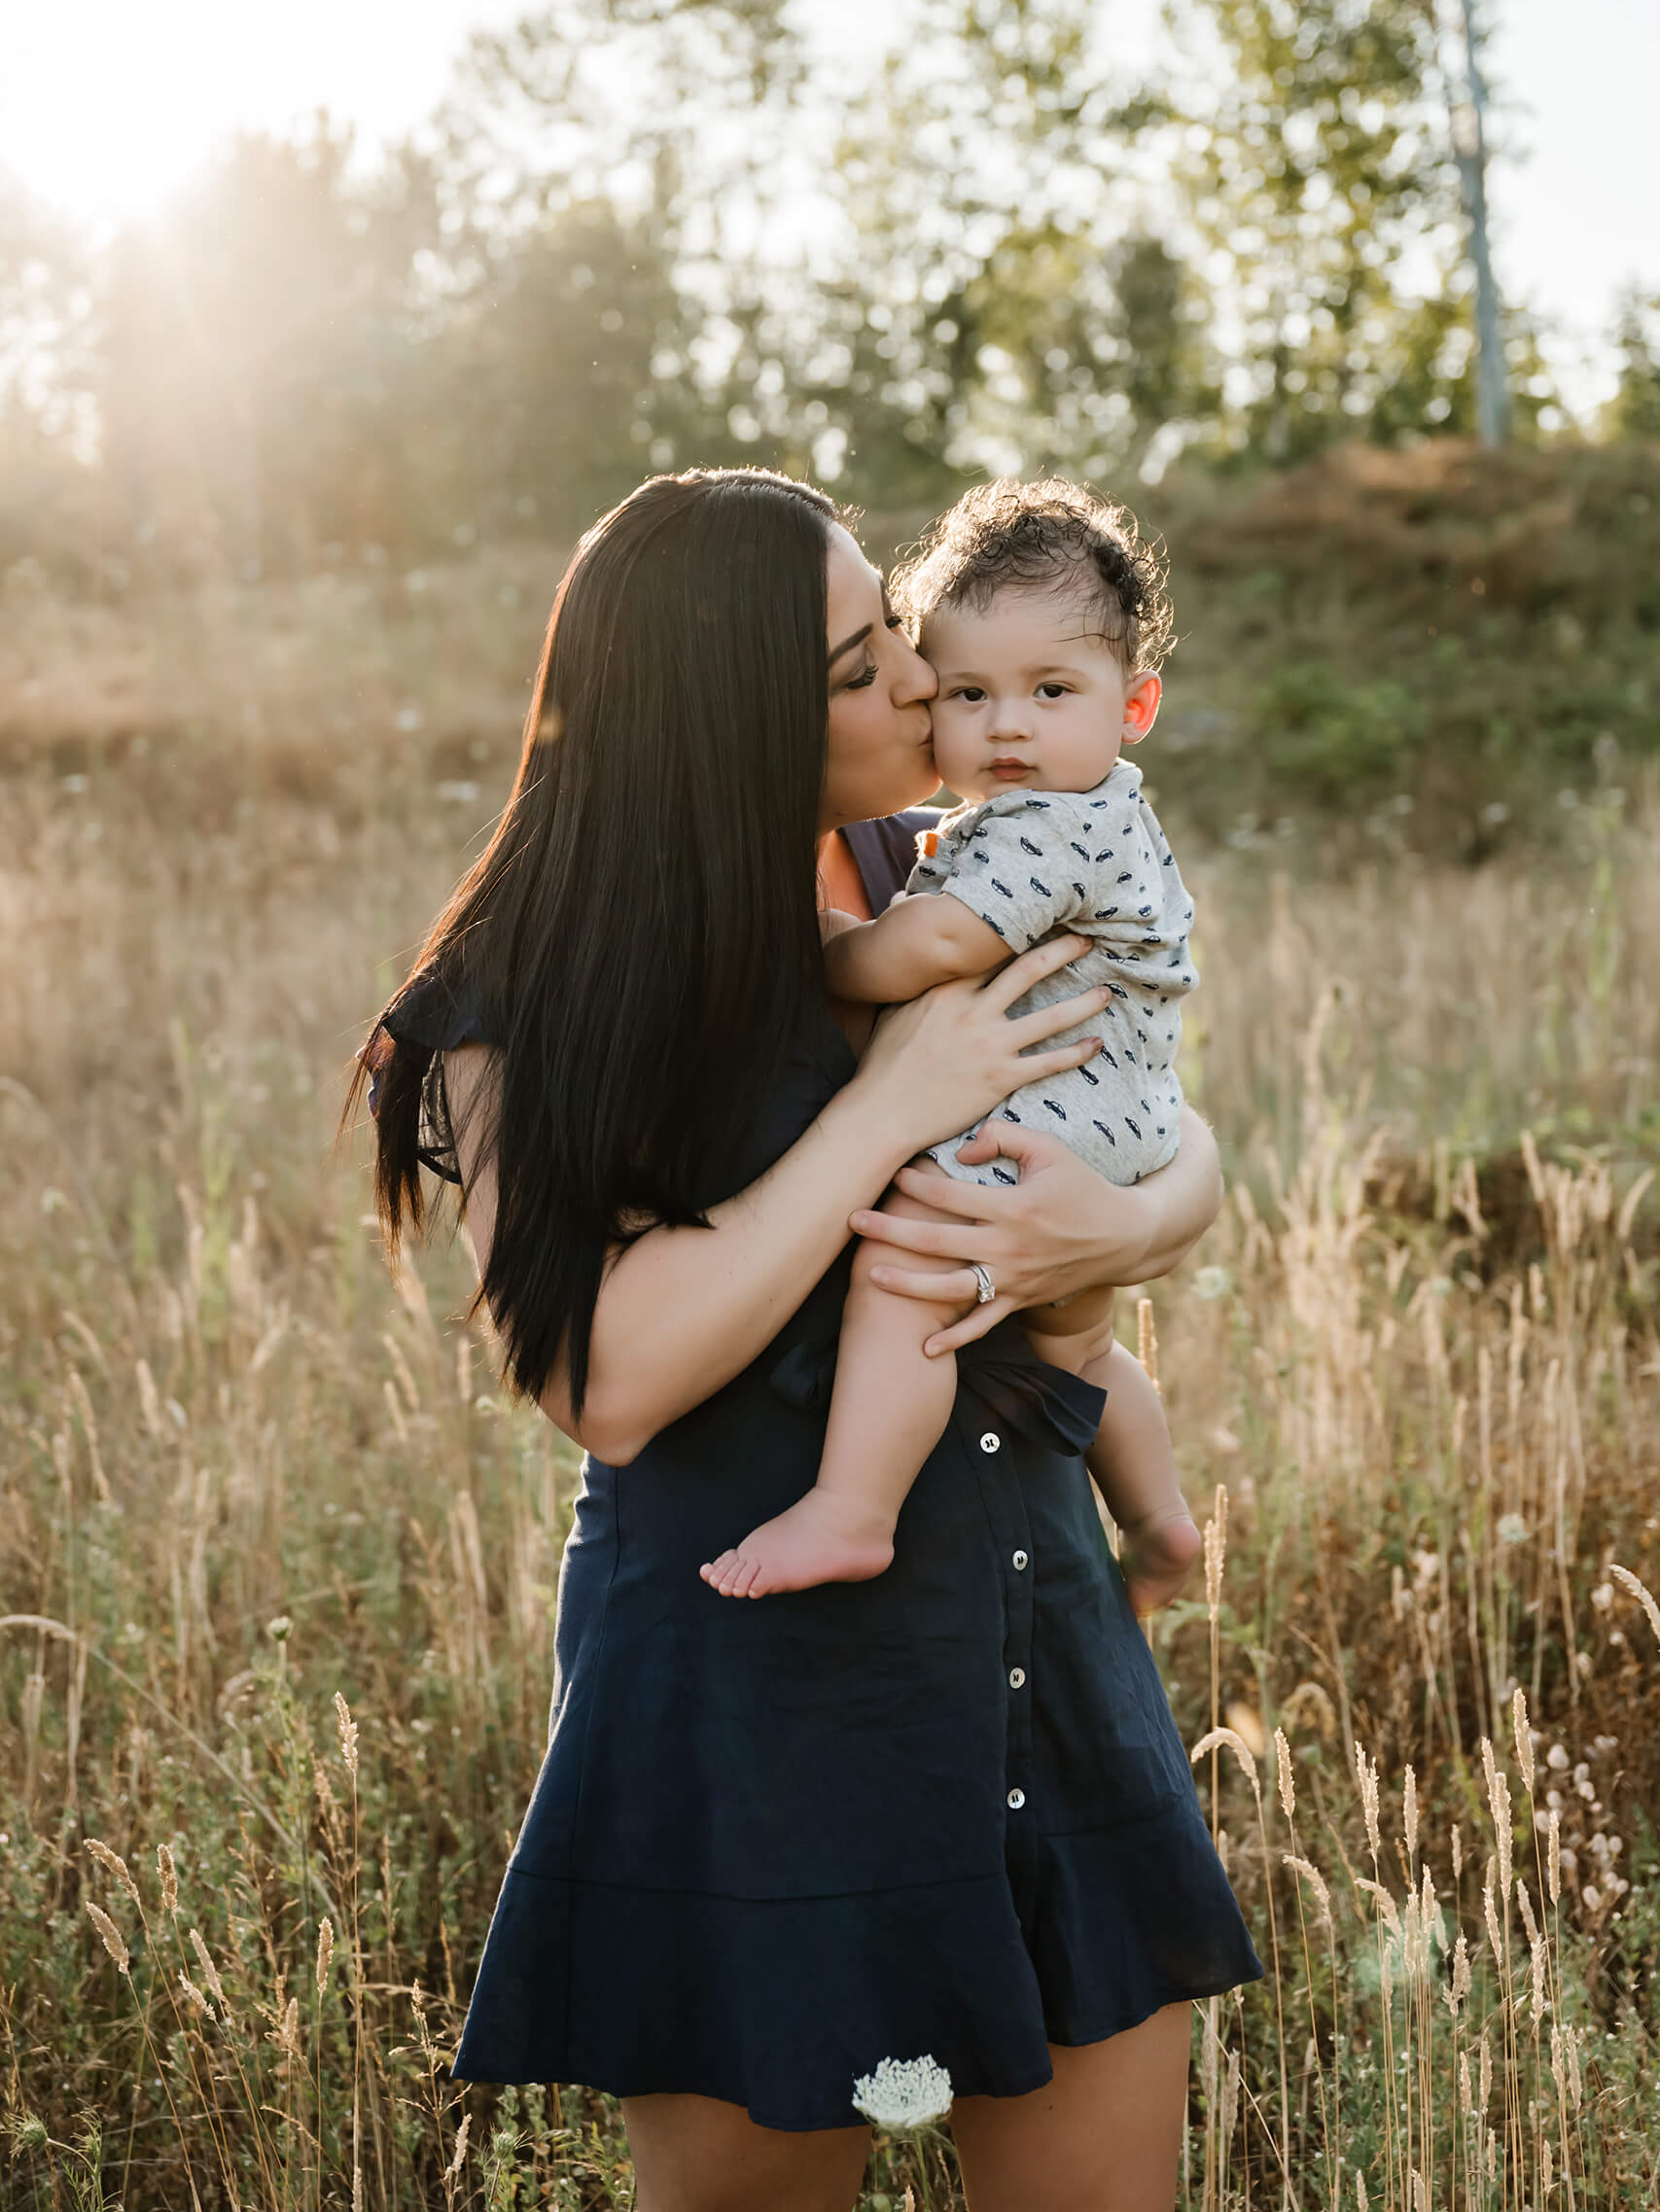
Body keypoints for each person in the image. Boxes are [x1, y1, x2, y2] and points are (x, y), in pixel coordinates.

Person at [357, 468, 1259, 2212]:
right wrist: (878, 1116)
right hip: (753, 1709)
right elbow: (602, 1382)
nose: (928, 691)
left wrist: (1131, 1225)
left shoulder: (946, 869)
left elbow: (1153, 1114)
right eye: (869, 669)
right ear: (729, 724)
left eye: (894, 644)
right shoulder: (511, 1003)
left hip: (1030, 1640)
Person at [703, 480, 1202, 1612]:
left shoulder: (1056, 831)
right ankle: (1163, 1520)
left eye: (1051, 691)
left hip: (1065, 1108)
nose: (1007, 723)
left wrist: (821, 944)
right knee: (1071, 1350)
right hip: (1118, 1109)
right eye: (971, 691)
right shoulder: (1063, 812)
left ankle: (853, 1511)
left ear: (1136, 706)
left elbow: (930, 943)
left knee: (903, 1266)